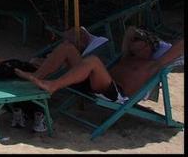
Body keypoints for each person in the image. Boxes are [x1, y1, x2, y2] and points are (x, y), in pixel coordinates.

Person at [17, 26, 184, 105]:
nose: (133, 45)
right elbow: (130, 30)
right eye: (134, 43)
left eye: (139, 44)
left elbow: (180, 45)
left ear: (149, 47)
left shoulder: (154, 65)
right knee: (67, 48)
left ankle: (52, 85)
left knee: (93, 61)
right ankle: (37, 77)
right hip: (97, 81)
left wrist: (151, 41)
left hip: (116, 93)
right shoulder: (128, 56)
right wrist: (141, 35)